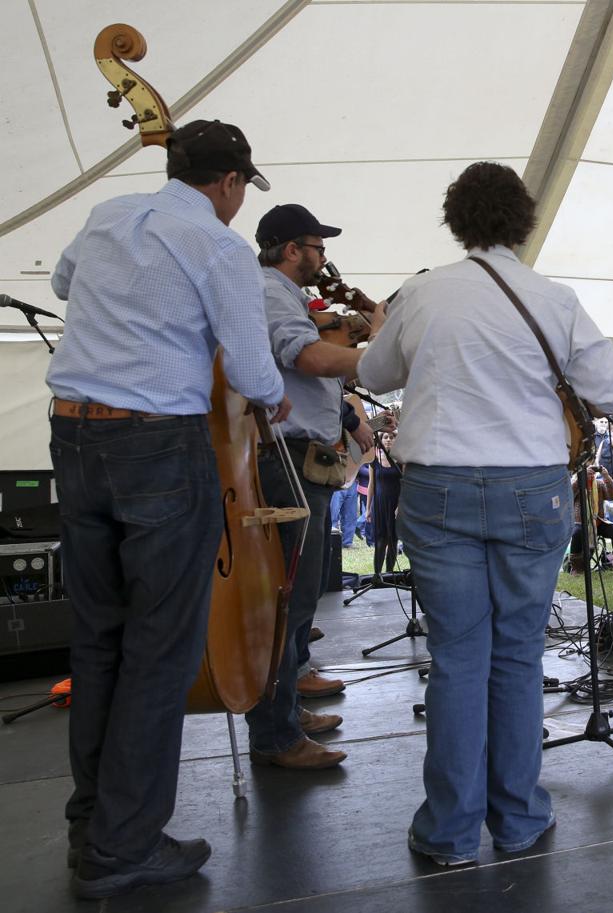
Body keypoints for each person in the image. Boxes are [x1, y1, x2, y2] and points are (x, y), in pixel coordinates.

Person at [356, 161, 613, 866]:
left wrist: (392, 329)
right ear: (523, 221)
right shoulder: (554, 297)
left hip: (439, 484)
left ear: (457, 223)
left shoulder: (421, 293)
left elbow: (371, 375)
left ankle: (449, 831)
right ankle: (517, 818)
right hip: (530, 489)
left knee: (456, 658)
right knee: (517, 655)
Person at [46, 119, 290, 899]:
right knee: (161, 651)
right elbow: (253, 368)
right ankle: (123, 848)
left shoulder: (109, 215)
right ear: (228, 184)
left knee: (100, 643)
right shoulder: (220, 250)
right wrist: (277, 397)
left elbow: (60, 284)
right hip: (156, 445)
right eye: (241, 193)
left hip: (75, 437)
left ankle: (94, 826)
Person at [245, 203, 374, 769]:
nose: (324, 258)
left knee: (298, 601)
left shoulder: (288, 296)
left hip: (301, 460)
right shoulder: (274, 293)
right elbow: (308, 355)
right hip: (289, 462)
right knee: (287, 601)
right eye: (317, 247)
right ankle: (274, 734)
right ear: (293, 249)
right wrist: (377, 359)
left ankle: (286, 713)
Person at [366, 430, 403, 579]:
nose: (388, 440)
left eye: (392, 437)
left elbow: (405, 484)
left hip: (395, 504)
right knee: (380, 541)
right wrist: (368, 509)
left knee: (393, 540)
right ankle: (377, 575)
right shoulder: (374, 460)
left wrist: (400, 506)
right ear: (381, 440)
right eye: (385, 437)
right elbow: (371, 485)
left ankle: (389, 574)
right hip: (380, 504)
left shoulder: (400, 461)